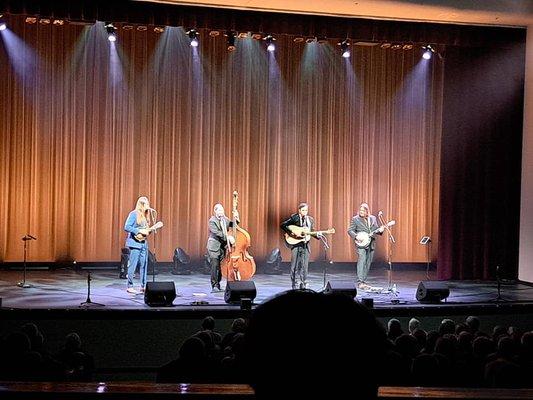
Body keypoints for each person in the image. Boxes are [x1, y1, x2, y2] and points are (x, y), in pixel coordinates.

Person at [280, 203, 321, 290]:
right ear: (299, 210)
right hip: (296, 244)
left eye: (306, 210)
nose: (305, 212)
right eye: (303, 210)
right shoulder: (294, 218)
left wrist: (318, 235)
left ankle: (304, 282)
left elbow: (312, 231)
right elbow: (283, 225)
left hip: (306, 244)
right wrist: (291, 232)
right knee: (294, 265)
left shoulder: (310, 219)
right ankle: (294, 283)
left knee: (304, 265)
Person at [347, 202, 383, 290]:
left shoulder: (373, 218)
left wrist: (381, 230)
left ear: (367, 211)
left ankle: (363, 280)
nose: (361, 212)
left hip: (371, 243)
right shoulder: (355, 219)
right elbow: (350, 230)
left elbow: (376, 230)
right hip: (361, 244)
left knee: (368, 262)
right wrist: (356, 237)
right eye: (360, 210)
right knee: (361, 260)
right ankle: (360, 281)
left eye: (363, 210)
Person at [124, 196, 153, 294]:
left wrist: (150, 230)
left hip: (144, 244)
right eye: (146, 204)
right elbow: (127, 226)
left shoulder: (146, 216)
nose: (148, 206)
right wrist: (138, 231)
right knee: (133, 265)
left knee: (144, 264)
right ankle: (130, 286)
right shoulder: (133, 214)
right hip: (135, 243)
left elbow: (146, 231)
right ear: (141, 205)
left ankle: (143, 286)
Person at [207, 203, 239, 293]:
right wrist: (228, 237)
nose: (221, 212)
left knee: (221, 267)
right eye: (219, 210)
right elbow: (217, 233)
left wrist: (236, 218)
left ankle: (218, 285)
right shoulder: (212, 221)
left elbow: (233, 225)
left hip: (222, 247)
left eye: (222, 210)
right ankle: (214, 286)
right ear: (215, 211)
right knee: (215, 266)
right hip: (213, 247)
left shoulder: (225, 219)